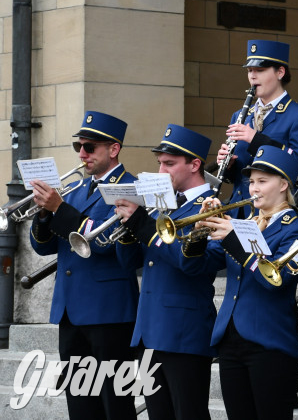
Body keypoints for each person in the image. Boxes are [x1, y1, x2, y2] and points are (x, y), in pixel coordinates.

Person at [28, 112, 138, 419]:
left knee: (115, 403)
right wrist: (44, 214)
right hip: (70, 310)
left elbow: (105, 244)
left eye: (90, 147)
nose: (82, 154)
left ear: (113, 149)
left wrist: (59, 208)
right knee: (80, 404)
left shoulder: (130, 188)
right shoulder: (74, 190)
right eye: (79, 146)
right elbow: (44, 246)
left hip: (110, 311)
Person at [186, 147, 298, 420]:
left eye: (262, 181)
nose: (254, 188)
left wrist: (233, 240)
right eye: (251, 181)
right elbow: (200, 264)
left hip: (270, 341)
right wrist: (199, 231)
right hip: (231, 339)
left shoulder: (294, 229)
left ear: (284, 184)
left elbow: (279, 280)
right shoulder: (244, 223)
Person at [114, 125, 220, 420]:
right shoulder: (164, 206)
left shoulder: (211, 207)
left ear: (195, 164)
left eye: (169, 163)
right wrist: (126, 228)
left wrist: (143, 226)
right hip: (149, 329)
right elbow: (129, 262)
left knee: (189, 413)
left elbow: (191, 263)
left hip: (184, 330)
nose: (161, 170)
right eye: (159, 162)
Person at [217, 39, 298, 213]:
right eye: (250, 71)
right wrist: (227, 166)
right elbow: (240, 174)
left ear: (280, 72)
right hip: (240, 210)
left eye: (260, 70)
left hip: (278, 213)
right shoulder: (240, 115)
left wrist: (256, 139)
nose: (253, 76)